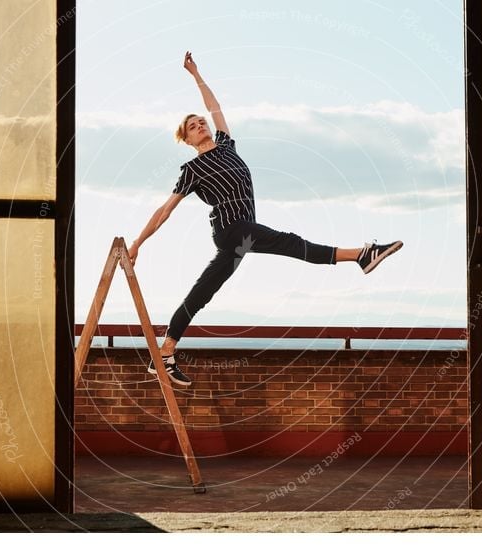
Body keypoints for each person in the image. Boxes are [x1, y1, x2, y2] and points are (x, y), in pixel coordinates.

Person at [128, 51, 402, 386]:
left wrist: (196, 76)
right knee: (288, 241)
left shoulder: (227, 146)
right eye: (192, 127)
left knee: (204, 291)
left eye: (201, 122)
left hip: (240, 240)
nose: (200, 125)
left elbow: (215, 107)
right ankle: (362, 254)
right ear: (186, 140)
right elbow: (165, 210)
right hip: (231, 230)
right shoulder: (192, 169)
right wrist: (139, 242)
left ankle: (165, 352)